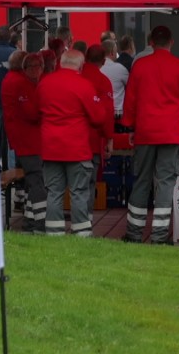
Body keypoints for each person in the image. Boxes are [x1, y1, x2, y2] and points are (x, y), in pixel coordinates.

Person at [122, 26, 179, 244]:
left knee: (141, 181)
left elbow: (130, 100)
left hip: (145, 132)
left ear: (151, 42)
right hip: (171, 133)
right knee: (165, 183)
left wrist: (130, 127)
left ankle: (134, 232)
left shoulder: (139, 66)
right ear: (172, 42)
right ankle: (159, 236)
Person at [38, 50, 108, 237]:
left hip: (51, 147)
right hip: (76, 148)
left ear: (61, 62)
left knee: (54, 192)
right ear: (81, 65)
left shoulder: (45, 83)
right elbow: (98, 117)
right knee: (78, 192)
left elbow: (37, 112)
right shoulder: (84, 85)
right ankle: (81, 235)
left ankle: (53, 234)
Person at [2, 51, 46, 233]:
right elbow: (32, 113)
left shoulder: (9, 79)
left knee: (31, 181)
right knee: (38, 181)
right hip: (29, 141)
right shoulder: (20, 83)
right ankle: (40, 223)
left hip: (20, 139)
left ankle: (30, 220)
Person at [82, 45, 115, 216]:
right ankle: (84, 221)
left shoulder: (76, 76)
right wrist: (109, 139)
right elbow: (107, 114)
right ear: (103, 61)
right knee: (88, 182)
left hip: (70, 140)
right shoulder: (103, 81)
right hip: (93, 141)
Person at [0, 25, 17, 169]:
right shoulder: (15, 54)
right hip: (10, 104)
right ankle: (11, 170)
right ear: (8, 37)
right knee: (11, 140)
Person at [100, 39, 129, 121]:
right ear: (112, 52)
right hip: (118, 114)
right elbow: (130, 86)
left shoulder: (97, 68)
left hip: (101, 111)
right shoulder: (120, 69)